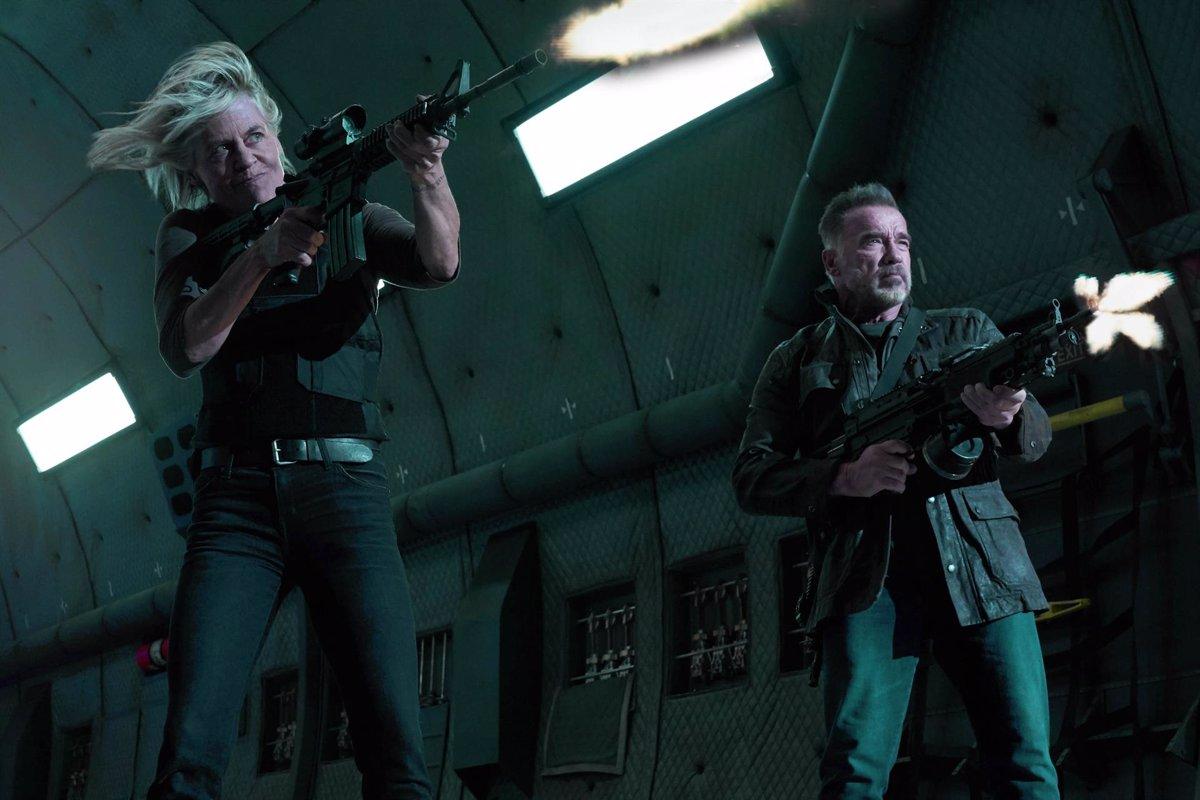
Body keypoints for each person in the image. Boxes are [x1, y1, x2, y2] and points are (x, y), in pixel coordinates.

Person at [87, 41, 459, 799]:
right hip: (237, 506)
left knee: (397, 754)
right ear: (196, 171)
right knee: (190, 757)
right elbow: (187, 345)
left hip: (346, 490)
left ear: (277, 134)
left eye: (254, 136)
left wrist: (428, 172)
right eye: (220, 150)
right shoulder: (189, 238)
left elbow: (438, 262)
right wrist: (261, 255)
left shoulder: (350, 212)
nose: (244, 158)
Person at [732, 183, 1059, 799]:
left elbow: (1036, 438)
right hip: (865, 580)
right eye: (872, 241)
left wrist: (1009, 412)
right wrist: (843, 477)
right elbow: (751, 476)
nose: (893, 254)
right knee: (854, 773)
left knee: (1025, 762)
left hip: (981, 567)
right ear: (832, 263)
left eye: (902, 241)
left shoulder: (965, 331)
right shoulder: (795, 361)